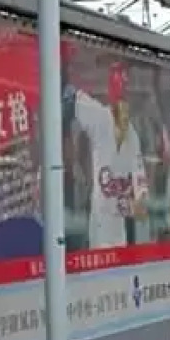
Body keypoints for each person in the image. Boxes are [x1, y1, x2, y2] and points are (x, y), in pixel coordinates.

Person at [66, 62, 147, 250]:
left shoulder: (132, 136)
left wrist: (126, 207)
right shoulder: (101, 118)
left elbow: (141, 203)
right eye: (119, 87)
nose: (123, 103)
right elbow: (73, 96)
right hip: (100, 231)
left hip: (118, 233)